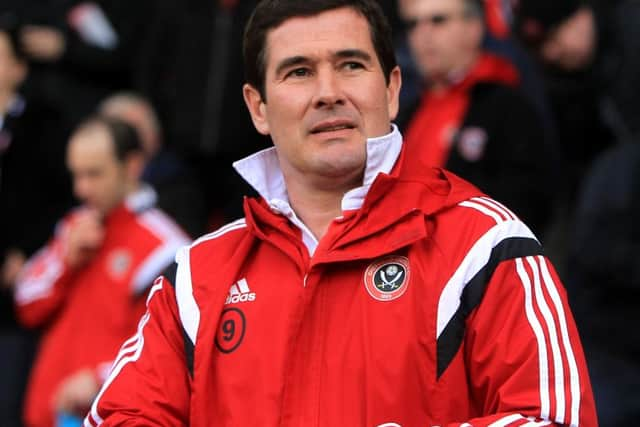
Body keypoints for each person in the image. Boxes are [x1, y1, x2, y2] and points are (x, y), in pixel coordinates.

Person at [85, 1, 597, 425]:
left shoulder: (486, 246)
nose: (328, 93)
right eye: (299, 72)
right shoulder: (197, 276)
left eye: (351, 65)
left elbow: (553, 417)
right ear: (258, 107)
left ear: (392, 89)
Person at [13, 115, 190, 427]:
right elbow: (27, 304)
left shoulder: (166, 246)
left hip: (109, 416)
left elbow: (171, 352)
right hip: (45, 415)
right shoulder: (75, 224)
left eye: (94, 174)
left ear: (132, 165)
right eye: (76, 175)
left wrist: (98, 376)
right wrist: (65, 261)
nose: (81, 189)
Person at [396, 0, 556, 235]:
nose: (423, 34)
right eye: (413, 24)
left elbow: (530, 201)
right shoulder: (406, 112)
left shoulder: (510, 106)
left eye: (438, 20)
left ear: (474, 27)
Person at [98, 92, 208, 238]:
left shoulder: (179, 189)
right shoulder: (91, 196)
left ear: (155, 135)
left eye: (134, 132)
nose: (81, 188)